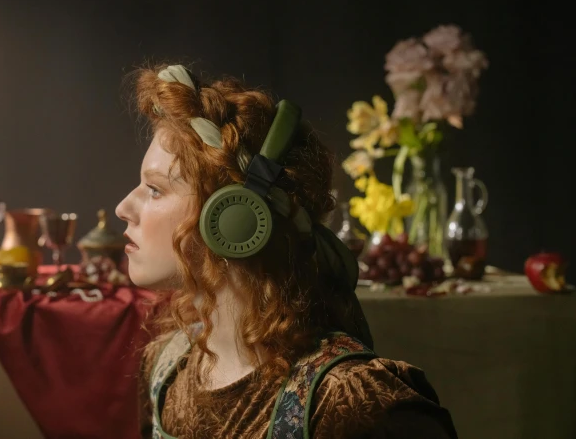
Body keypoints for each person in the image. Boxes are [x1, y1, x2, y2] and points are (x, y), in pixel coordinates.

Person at [115, 64, 457, 438]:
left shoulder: (353, 405)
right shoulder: (165, 368)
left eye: (155, 189)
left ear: (235, 218)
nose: (123, 208)